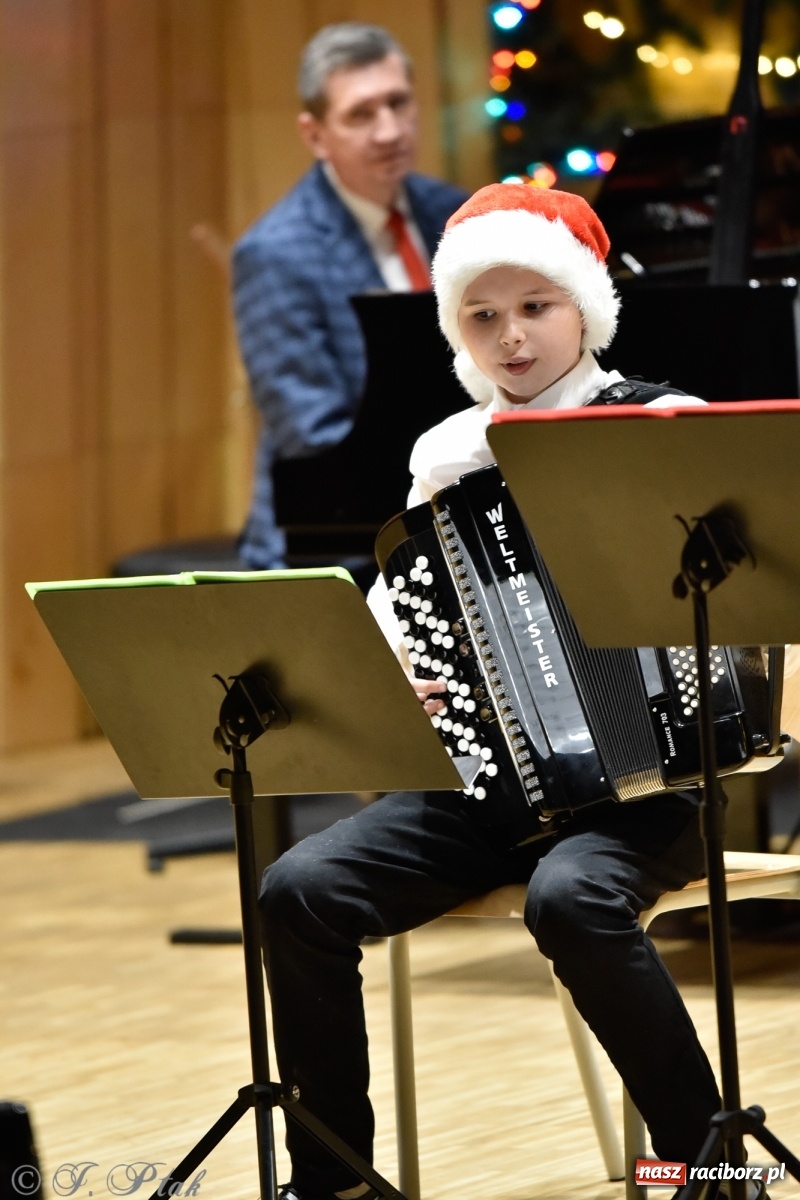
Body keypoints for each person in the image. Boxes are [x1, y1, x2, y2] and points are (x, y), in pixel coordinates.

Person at [259, 185, 764, 1200]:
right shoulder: (445, 455)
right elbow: (397, 614)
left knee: (568, 897)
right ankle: (335, 1178)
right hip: (481, 792)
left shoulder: (659, 425)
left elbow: (755, 605)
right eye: (482, 316)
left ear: (585, 308)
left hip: (649, 793)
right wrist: (397, 675)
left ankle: (704, 1168)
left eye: (536, 306)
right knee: (297, 891)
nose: (512, 336)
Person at [231, 22, 468, 569]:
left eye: (398, 103)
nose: (389, 131)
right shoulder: (274, 254)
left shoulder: (453, 213)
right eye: (361, 115)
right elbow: (313, 435)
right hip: (331, 549)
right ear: (315, 135)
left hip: (450, 522)